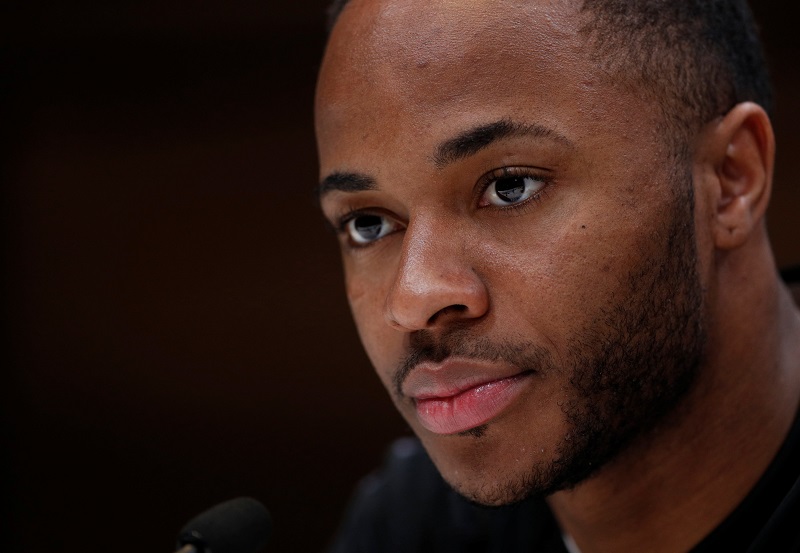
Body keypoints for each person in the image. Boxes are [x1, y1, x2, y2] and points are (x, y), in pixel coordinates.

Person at [314, 0, 800, 551]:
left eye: (510, 187)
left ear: (732, 179)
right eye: (370, 223)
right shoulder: (414, 525)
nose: (413, 297)